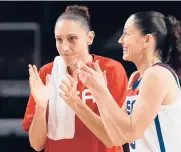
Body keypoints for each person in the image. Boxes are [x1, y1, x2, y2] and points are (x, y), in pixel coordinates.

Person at [60, 11, 181, 152]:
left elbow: (131, 132)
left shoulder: (157, 74)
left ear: (147, 40)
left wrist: (101, 90)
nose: (120, 40)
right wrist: (81, 100)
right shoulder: (136, 78)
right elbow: (115, 137)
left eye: (126, 34)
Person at [22, 5, 129, 152]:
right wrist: (41, 107)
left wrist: (75, 104)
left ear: (90, 38)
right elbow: (36, 144)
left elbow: (112, 139)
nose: (64, 47)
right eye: (59, 40)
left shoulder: (111, 70)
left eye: (72, 38)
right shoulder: (47, 73)